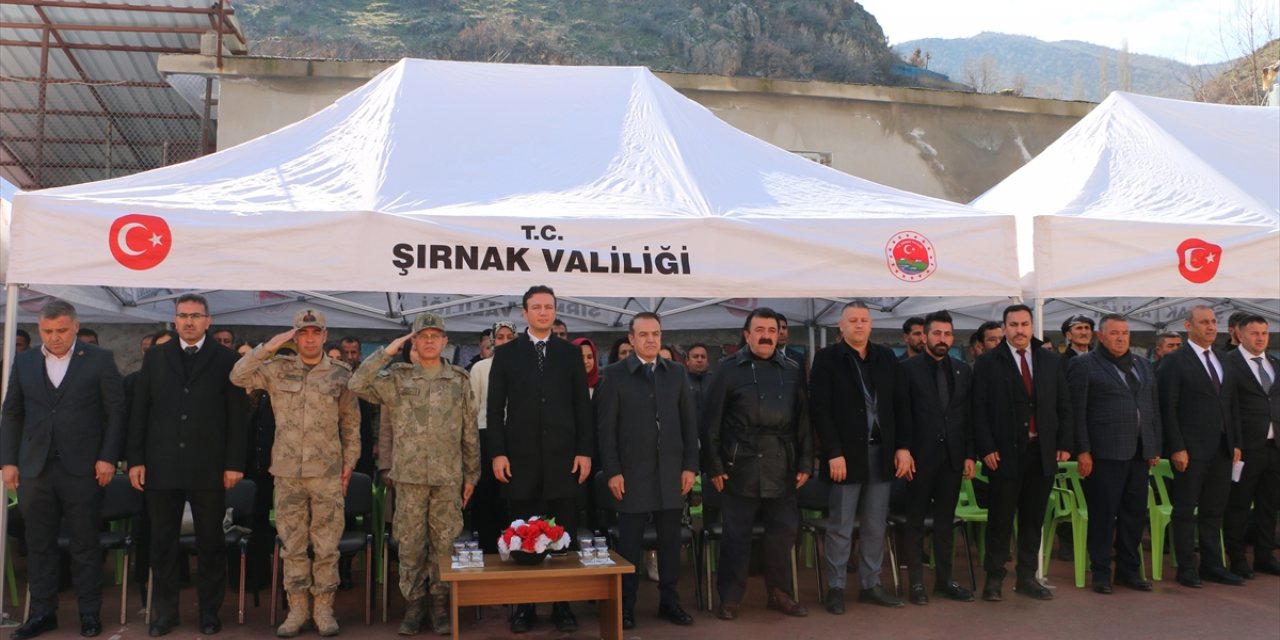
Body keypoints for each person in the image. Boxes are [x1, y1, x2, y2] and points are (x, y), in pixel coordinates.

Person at [230, 309, 360, 637]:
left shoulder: (341, 375)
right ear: (295, 336)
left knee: (327, 543)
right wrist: (269, 347)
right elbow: (238, 377)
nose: (310, 338)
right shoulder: (276, 370)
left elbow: (351, 423)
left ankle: (324, 609)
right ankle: (298, 608)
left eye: (316, 332)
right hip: (287, 472)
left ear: (325, 335)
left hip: (327, 472)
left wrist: (350, 463)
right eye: (303, 333)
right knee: (293, 544)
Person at [1, 300, 126, 640]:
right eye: (46, 331)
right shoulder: (24, 361)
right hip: (34, 468)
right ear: (40, 329)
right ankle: (42, 614)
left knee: (85, 543)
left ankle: (89, 613)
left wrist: (107, 458)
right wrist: (8, 461)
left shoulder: (99, 360)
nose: (54, 338)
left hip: (83, 468)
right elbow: (11, 412)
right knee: (38, 543)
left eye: (61, 331)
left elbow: (115, 412)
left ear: (75, 326)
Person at [127, 293, 249, 636]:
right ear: (175, 320)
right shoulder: (156, 357)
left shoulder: (226, 359)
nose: (189, 321)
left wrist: (234, 463)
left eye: (196, 315)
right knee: (162, 544)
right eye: (183, 315)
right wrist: (135, 459)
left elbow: (236, 417)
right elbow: (140, 411)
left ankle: (209, 612)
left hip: (209, 467)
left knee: (210, 544)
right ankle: (165, 614)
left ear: (208, 321)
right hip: (161, 466)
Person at [350, 313, 479, 636]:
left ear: (445, 342)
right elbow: (357, 383)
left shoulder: (459, 380)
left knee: (443, 544)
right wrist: (387, 352)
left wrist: (472, 475)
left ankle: (439, 605)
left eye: (436, 336)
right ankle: (414, 604)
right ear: (414, 342)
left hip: (447, 477)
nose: (430, 341)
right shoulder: (398, 378)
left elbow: (470, 432)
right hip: (408, 478)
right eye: (423, 336)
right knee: (409, 545)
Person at [487, 285, 594, 634]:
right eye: (537, 307)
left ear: (555, 311)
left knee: (563, 537)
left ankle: (563, 605)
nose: (543, 312)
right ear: (525, 313)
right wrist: (498, 453)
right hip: (520, 460)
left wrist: (584, 451)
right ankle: (525, 606)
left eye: (549, 307)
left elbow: (583, 407)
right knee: (521, 536)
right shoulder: (506, 354)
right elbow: (494, 408)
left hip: (564, 461)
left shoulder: (569, 353)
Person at [705, 307, 812, 621]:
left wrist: (805, 461)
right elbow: (711, 422)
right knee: (736, 537)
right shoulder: (727, 369)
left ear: (779, 334)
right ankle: (730, 597)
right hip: (740, 465)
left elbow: (804, 421)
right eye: (760, 330)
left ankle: (779, 593)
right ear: (747, 334)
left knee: (783, 535)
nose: (766, 335)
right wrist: (714, 466)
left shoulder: (793, 369)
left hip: (783, 465)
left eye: (772, 329)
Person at [595, 312, 698, 630]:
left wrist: (690, 466)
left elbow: (689, 424)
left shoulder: (677, 373)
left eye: (656, 333)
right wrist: (612, 470)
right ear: (631, 338)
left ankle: (670, 602)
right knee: (629, 545)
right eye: (644, 334)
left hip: (670, 473)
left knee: (670, 544)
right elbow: (606, 430)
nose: (651, 339)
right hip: (631, 475)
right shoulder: (613, 375)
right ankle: (625, 607)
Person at [971, 303, 1072, 602]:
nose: (1019, 330)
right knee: (1000, 519)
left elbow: (1063, 405)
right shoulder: (989, 362)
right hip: (1003, 454)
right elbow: (979, 409)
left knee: (1033, 519)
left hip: (1040, 453)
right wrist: (986, 447)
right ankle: (994, 578)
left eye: (1024, 324)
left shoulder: (1050, 361)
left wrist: (1065, 443)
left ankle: (1027, 577)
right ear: (1004, 329)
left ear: (1032, 326)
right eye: (1013, 325)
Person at [811, 302, 906, 613]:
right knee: (840, 523)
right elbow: (820, 411)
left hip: (882, 452)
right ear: (841, 326)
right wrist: (833, 453)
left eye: (864, 320)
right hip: (846, 455)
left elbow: (897, 404)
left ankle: (870, 584)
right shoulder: (827, 359)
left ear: (871, 324)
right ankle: (836, 587)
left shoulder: (885, 357)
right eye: (852, 320)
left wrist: (902, 447)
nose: (859, 325)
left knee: (875, 524)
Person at [1067, 314, 1161, 595]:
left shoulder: (1143, 365)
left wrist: (1154, 446)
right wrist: (1083, 450)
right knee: (1103, 515)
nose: (1121, 338)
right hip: (1104, 453)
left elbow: (1152, 408)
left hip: (1139, 452)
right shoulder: (1083, 365)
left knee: (1134, 515)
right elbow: (1076, 411)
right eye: (1115, 333)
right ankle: (1101, 572)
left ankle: (1128, 571)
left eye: (1125, 333)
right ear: (1100, 336)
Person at [1158, 305, 1245, 588]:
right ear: (1188, 326)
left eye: (1213, 321)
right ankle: (1186, 568)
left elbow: (1231, 404)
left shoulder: (1224, 359)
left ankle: (1212, 565)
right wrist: (1176, 447)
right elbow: (1167, 408)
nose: (1210, 326)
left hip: (1222, 448)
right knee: (1185, 511)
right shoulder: (1175, 361)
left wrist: (1235, 443)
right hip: (1190, 451)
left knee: (1213, 511)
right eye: (1204, 322)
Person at [898, 310, 975, 605]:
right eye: (937, 334)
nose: (942, 339)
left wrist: (969, 454)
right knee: (915, 523)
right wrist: (903, 449)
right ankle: (916, 583)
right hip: (918, 458)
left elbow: (966, 416)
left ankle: (945, 580)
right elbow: (901, 413)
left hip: (953, 458)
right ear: (925, 336)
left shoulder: (962, 370)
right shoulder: (907, 369)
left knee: (945, 524)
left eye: (947, 334)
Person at [1222, 315, 1280, 578]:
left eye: (1265, 333)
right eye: (1255, 333)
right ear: (1240, 335)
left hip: (1274, 447)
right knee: (1239, 506)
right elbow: (1226, 407)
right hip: (1244, 448)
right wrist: (1234, 443)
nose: (1260, 338)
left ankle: (1264, 556)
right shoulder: (1228, 363)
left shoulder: (1274, 364)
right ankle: (1237, 559)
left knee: (1269, 506)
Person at [467, 321, 516, 554]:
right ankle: (488, 551)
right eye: (500, 336)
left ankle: (517, 548)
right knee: (488, 496)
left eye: (509, 336)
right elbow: (472, 408)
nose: (504, 341)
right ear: (493, 340)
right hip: (485, 435)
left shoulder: (525, 367)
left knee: (513, 496)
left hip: (517, 437)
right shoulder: (480, 368)